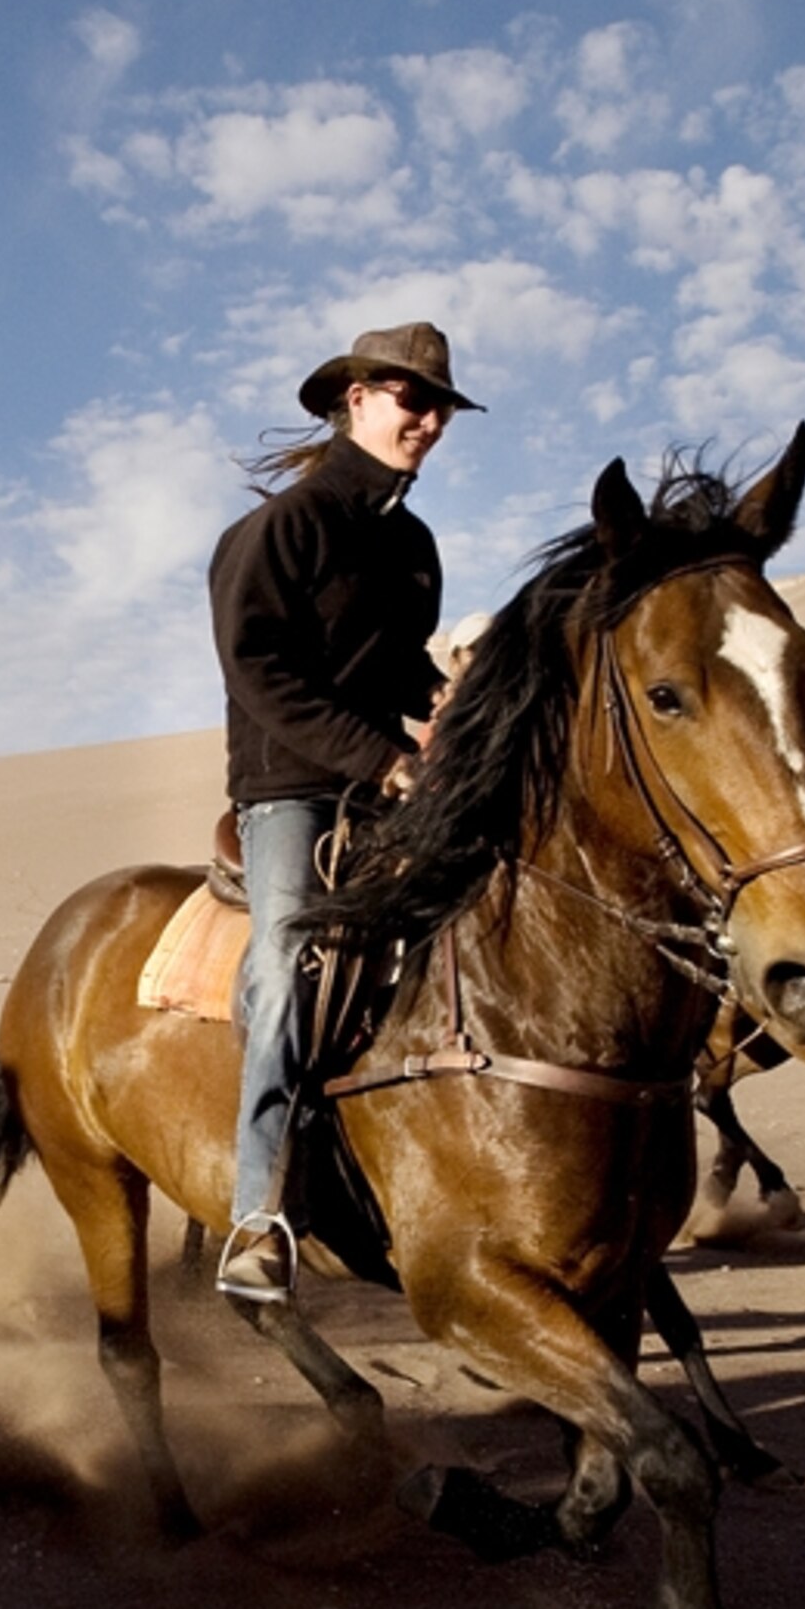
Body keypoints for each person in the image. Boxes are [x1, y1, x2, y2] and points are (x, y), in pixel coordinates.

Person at [211, 321, 478, 1303]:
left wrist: (444, 703)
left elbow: (394, 661)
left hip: (393, 779)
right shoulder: (283, 529)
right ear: (357, 397)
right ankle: (258, 1216)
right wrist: (380, 756)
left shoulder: (411, 542)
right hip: (292, 787)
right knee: (291, 966)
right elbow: (259, 668)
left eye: (442, 406)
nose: (431, 420)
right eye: (414, 399)